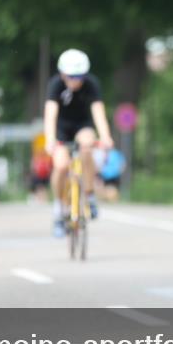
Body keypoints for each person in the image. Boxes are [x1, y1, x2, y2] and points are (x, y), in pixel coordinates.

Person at [44, 49, 114, 237]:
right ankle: (59, 209)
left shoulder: (91, 84)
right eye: (70, 77)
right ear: (62, 74)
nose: (75, 81)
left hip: (83, 125)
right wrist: (50, 139)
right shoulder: (56, 85)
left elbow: (98, 113)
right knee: (60, 165)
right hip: (61, 128)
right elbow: (50, 114)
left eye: (79, 76)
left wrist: (106, 136)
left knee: (87, 147)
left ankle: (90, 195)